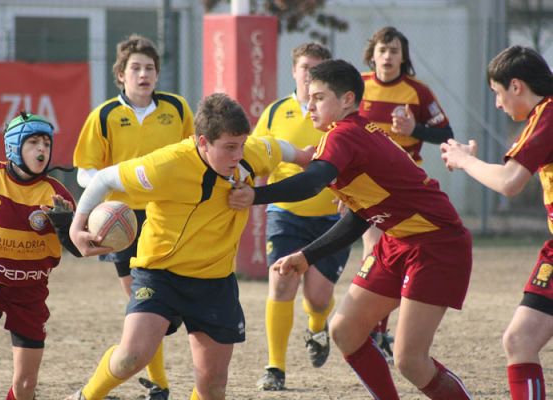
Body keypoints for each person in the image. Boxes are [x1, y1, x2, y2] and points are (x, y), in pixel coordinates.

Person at [229, 59, 473, 399]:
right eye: (309, 97)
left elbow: (313, 183)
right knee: (344, 330)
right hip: (397, 240)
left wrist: (256, 194)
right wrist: (307, 256)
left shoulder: (344, 134)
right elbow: (361, 215)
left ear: (346, 100)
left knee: (409, 361)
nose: (309, 105)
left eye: (318, 98)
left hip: (436, 244)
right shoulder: (352, 133)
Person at [65, 93, 312, 400]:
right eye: (229, 148)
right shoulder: (165, 165)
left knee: (212, 385)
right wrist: (77, 226)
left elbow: (282, 149)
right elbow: (103, 179)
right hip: (159, 273)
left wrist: (305, 159)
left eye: (240, 146)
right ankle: (85, 396)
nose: (237, 156)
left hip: (214, 281)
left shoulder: (250, 152)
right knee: (132, 356)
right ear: (203, 142)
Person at [73, 33, 194, 400]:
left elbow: (195, 154)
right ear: (121, 75)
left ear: (158, 75)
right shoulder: (106, 115)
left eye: (150, 68)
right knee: (141, 299)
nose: (144, 74)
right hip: (122, 221)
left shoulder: (177, 108)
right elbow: (84, 170)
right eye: (136, 68)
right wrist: (106, 193)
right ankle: (158, 383)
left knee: (174, 295)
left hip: (169, 214)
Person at [441, 45, 553, 400]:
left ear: (516, 85)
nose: (498, 104)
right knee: (519, 340)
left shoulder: (547, 114)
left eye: (497, 93)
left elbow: (509, 182)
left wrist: (462, 161)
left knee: (520, 340)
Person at [0, 112, 79, 400]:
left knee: (25, 389)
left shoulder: (57, 196)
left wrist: (65, 225)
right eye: (33, 142)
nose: (42, 150)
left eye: (46, 143)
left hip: (29, 291)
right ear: (13, 146)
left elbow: (78, 248)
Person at [251, 42, 350, 391]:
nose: (311, 74)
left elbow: (357, 158)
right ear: (294, 71)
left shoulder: (339, 112)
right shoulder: (276, 112)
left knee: (318, 297)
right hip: (286, 214)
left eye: (319, 68)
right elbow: (256, 155)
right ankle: (275, 367)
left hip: (331, 219)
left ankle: (317, 324)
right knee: (281, 282)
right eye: (306, 67)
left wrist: (352, 197)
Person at [358, 26, 455, 357]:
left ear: (403, 57)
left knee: (397, 254)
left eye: (394, 51)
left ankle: (378, 328)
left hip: (407, 188)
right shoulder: (357, 86)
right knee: (373, 247)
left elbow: (447, 133)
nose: (388, 56)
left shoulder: (418, 92)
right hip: (368, 187)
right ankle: (375, 329)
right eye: (383, 50)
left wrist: (415, 130)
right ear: (372, 54)